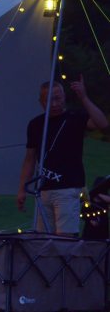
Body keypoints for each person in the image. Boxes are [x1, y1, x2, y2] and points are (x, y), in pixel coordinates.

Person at [17, 76, 108, 235]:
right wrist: (22, 188)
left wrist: (84, 97)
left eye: (58, 99)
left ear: (64, 97)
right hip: (43, 189)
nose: (54, 104)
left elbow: (102, 124)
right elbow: (30, 158)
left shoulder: (75, 117)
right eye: (48, 100)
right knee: (43, 239)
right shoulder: (36, 124)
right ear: (41, 102)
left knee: (65, 238)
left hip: (68, 187)